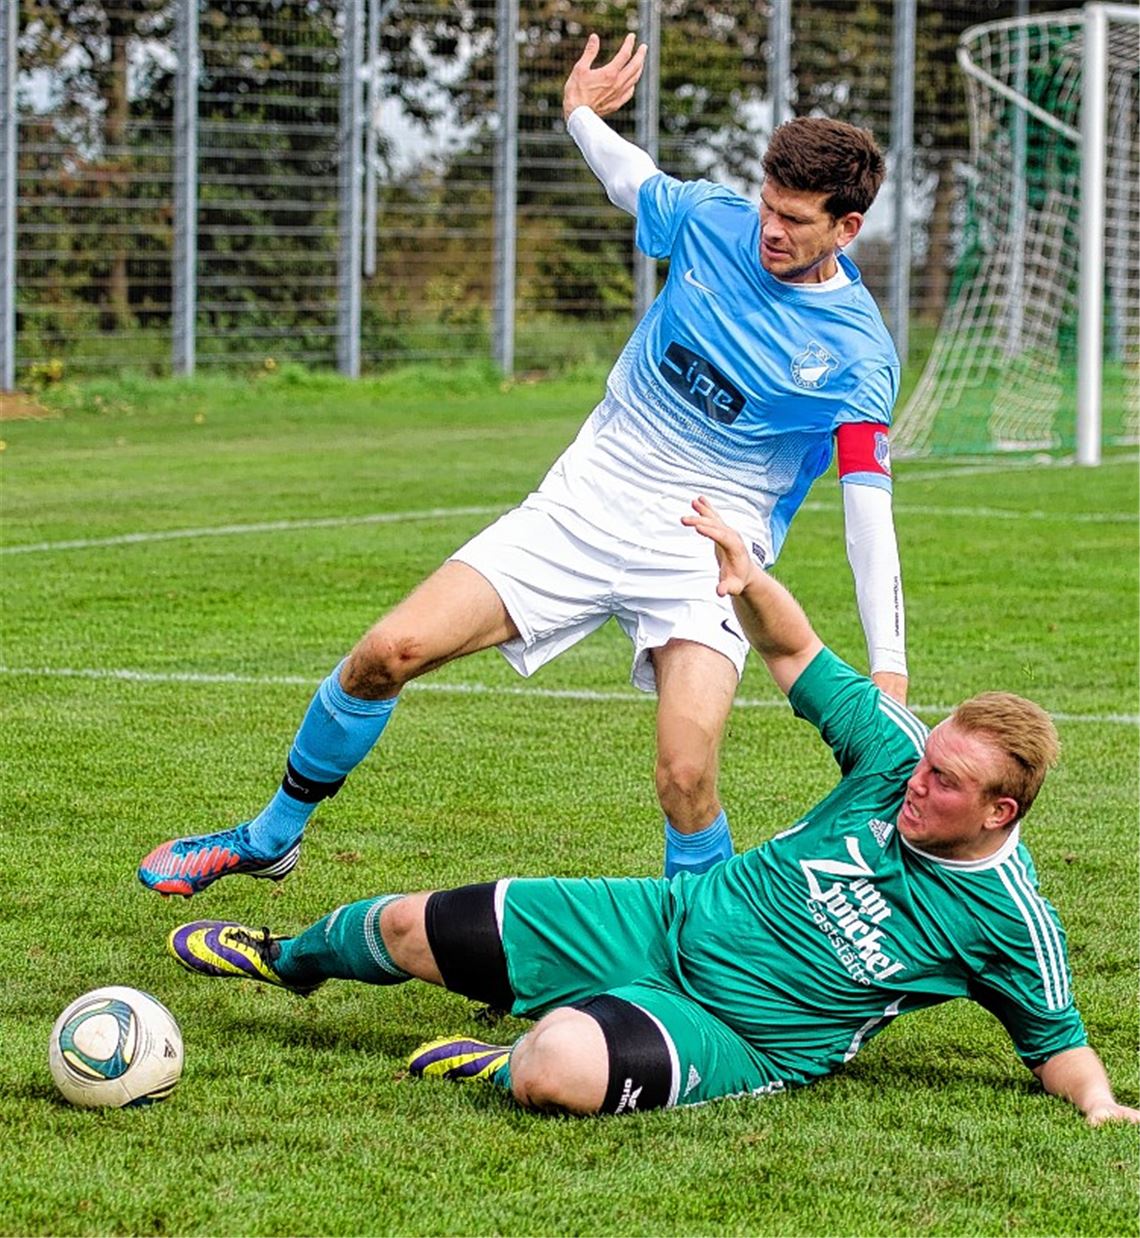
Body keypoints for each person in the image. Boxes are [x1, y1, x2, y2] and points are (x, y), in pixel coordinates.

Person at [138, 32, 908, 895]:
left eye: (793, 220)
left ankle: (702, 954)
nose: (768, 228)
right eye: (766, 204)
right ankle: (271, 836)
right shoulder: (711, 222)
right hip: (582, 504)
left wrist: (888, 673)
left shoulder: (857, 353)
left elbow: (867, 513)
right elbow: (629, 177)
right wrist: (578, 109)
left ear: (847, 225)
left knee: (685, 775)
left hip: (703, 548)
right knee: (386, 652)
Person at [166, 497, 1138, 1125]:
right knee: (401, 924)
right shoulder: (894, 754)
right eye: (925, 762)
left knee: (556, 1065)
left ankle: (498, 1058)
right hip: (671, 915)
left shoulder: (1010, 919)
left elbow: (1057, 1041)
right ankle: (284, 958)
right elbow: (798, 656)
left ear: (1001, 809)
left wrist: (1098, 1104)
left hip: (739, 1030)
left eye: (945, 784)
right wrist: (747, 580)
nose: (916, 783)